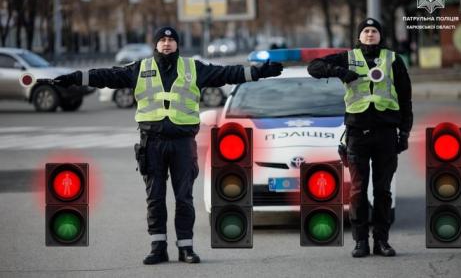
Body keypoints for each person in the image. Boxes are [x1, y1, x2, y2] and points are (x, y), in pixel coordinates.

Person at [52, 26, 283, 264]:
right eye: (161, 39)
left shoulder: (193, 68)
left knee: (184, 198)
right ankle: (158, 247)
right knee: (155, 197)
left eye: (170, 40)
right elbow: (106, 76)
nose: (166, 43)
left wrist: (260, 72)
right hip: (152, 143)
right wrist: (74, 78)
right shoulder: (140, 68)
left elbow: (227, 73)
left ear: (177, 44)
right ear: (155, 44)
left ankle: (186, 248)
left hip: (183, 144)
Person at [307, 18, 413, 258]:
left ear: (380, 35)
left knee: (383, 191)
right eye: (365, 31)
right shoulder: (348, 57)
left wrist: (405, 132)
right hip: (357, 135)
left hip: (386, 135)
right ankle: (361, 242)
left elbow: (406, 99)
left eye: (374, 30)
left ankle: (382, 241)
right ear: (359, 36)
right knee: (357, 191)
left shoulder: (393, 59)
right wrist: (339, 72)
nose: (369, 34)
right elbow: (313, 67)